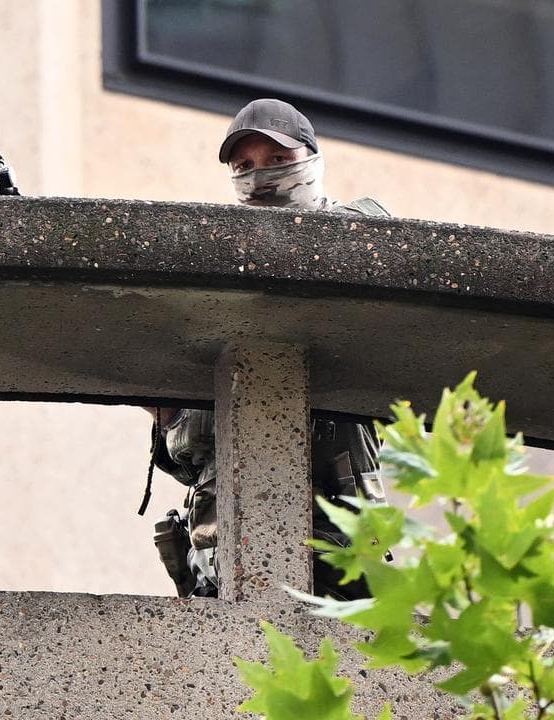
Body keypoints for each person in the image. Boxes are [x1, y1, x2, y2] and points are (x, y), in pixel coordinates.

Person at [147, 99, 391, 600]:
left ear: (313, 159)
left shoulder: (361, 234)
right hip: (218, 570)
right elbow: (188, 455)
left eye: (279, 161)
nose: (260, 177)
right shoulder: (218, 301)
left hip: (335, 566)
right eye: (245, 167)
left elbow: (369, 244)